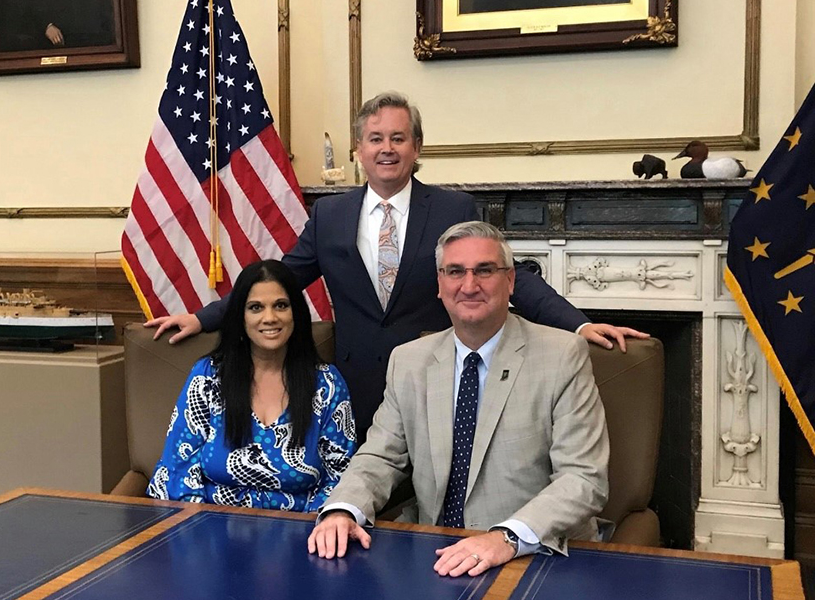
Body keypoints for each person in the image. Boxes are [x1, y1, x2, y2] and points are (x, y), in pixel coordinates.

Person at [147, 92, 645, 442]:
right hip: (356, 387)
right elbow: (276, 281)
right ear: (359, 150)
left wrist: (577, 323)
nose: (387, 148)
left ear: (416, 148)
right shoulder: (330, 215)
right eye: (376, 138)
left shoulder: (452, 210)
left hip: (437, 381)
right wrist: (203, 317)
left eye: (399, 138)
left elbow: (505, 276)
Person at [308, 221, 609, 577]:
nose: (469, 285)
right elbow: (379, 456)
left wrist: (506, 538)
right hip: (438, 553)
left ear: (510, 281)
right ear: (439, 284)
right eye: (455, 272)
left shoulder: (562, 354)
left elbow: (584, 479)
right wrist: (344, 509)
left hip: (534, 553)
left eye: (485, 270)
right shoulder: (409, 361)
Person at [147, 260, 357, 511]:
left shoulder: (327, 384)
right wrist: (198, 535)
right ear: (241, 317)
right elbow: (177, 469)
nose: (270, 318)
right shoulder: (208, 377)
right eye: (256, 307)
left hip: (302, 534)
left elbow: (340, 478)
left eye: (281, 305)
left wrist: (314, 532)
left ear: (296, 314)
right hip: (211, 530)